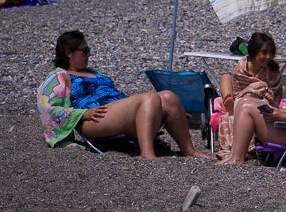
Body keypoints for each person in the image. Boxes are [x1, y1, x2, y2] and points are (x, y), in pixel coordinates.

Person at [36, 30, 213, 159]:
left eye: (88, 49)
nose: (89, 54)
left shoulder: (92, 72)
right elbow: (48, 108)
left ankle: (188, 150)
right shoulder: (60, 76)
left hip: (115, 113)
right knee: (150, 97)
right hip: (93, 118)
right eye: (84, 50)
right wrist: (81, 114)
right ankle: (147, 154)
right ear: (68, 53)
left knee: (168, 96)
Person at [217, 31, 284, 164]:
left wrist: (269, 97)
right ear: (254, 52)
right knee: (227, 79)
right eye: (264, 52)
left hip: (263, 105)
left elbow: (276, 99)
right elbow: (238, 91)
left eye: (271, 53)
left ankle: (241, 151)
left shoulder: (273, 72)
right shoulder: (240, 69)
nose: (268, 56)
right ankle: (231, 106)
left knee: (260, 89)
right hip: (241, 100)